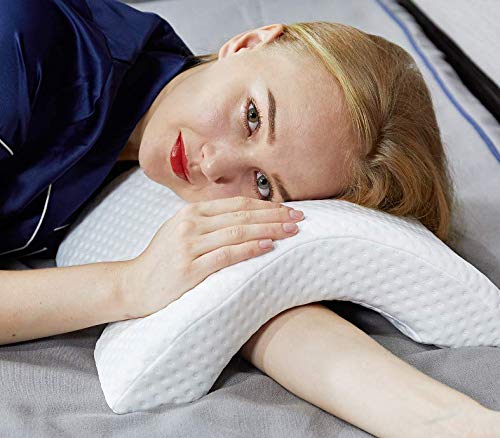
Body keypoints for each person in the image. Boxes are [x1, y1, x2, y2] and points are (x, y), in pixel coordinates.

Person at [0, 1, 498, 436]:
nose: (215, 165)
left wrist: (448, 422)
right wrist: (126, 285)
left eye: (262, 184)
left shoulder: (147, 136)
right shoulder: (24, 50)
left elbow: (259, 296)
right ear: (248, 43)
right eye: (253, 116)